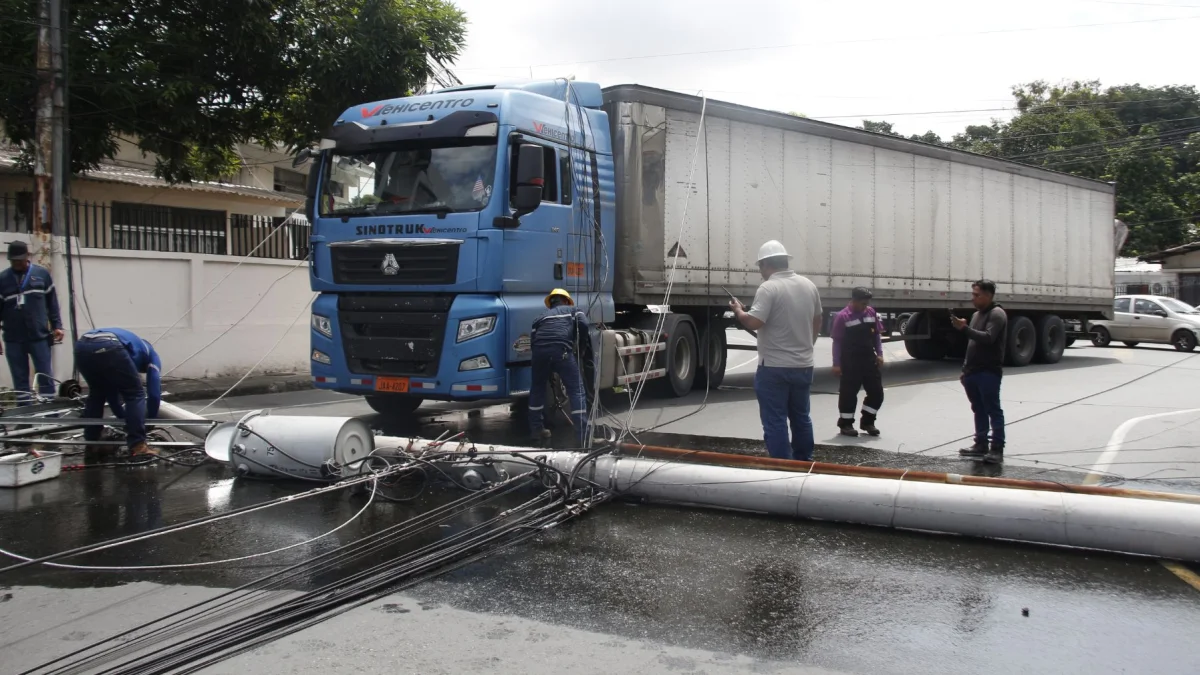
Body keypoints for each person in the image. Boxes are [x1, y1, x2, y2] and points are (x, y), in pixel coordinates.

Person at [730, 240, 823, 461]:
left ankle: (783, 466)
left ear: (765, 264)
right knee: (801, 417)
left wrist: (738, 311)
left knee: (775, 420)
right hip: (803, 365)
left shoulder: (769, 287)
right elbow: (817, 319)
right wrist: (809, 343)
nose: (760, 273)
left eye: (760, 267)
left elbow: (753, 322)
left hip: (773, 367)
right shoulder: (809, 285)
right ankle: (804, 461)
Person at [74, 328, 163, 457]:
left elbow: (112, 395)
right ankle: (138, 446)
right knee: (135, 393)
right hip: (109, 345)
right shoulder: (152, 356)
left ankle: (92, 442)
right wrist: (150, 421)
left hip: (82, 346)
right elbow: (154, 395)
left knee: (97, 393)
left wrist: (124, 418)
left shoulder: (131, 347)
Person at [0, 240, 64, 404]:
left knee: (45, 376)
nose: (17, 263)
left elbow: (52, 303)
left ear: (27, 256)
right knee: (20, 379)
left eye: (19, 260)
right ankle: (26, 417)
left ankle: (51, 415)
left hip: (39, 337)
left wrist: (57, 326)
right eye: (13, 261)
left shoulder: (41, 274)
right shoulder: (3, 279)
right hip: (14, 339)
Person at [952, 280, 1008, 464]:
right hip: (972, 372)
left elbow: (988, 338)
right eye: (973, 294)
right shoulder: (976, 315)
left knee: (993, 409)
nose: (973, 298)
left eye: (977, 295)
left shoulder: (997, 314)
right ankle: (980, 444)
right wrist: (965, 370)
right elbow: (972, 345)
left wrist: (965, 329)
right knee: (978, 409)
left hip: (988, 371)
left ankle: (997, 448)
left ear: (989, 295)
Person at [528, 288, 590, 447]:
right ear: (567, 301)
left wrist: (543, 359)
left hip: (539, 353)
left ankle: (536, 430)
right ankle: (582, 435)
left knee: (537, 389)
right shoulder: (574, 310)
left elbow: (533, 339)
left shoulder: (539, 317)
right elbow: (584, 323)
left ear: (551, 303)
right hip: (561, 350)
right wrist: (580, 344)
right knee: (576, 390)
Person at [831, 287, 885, 437]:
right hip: (850, 361)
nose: (865, 306)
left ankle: (867, 422)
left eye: (867, 303)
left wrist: (879, 354)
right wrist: (836, 364)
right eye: (862, 303)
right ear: (853, 301)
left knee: (877, 393)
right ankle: (846, 424)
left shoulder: (871, 312)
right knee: (848, 393)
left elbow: (876, 336)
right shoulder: (842, 317)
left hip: (868, 358)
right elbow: (837, 342)